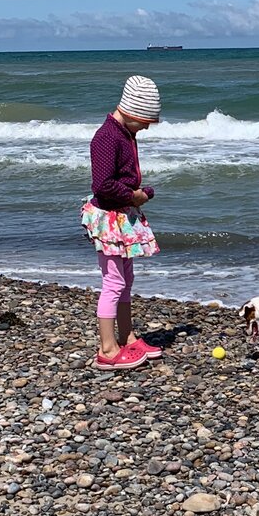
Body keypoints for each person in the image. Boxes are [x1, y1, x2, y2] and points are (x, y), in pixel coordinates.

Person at [83, 75, 164, 371]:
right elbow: (102, 186)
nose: (146, 127)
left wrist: (138, 194)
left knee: (125, 280)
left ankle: (127, 337)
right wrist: (135, 195)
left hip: (121, 216)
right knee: (114, 282)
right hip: (109, 217)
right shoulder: (107, 137)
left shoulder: (124, 133)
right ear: (131, 112)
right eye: (144, 121)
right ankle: (107, 349)